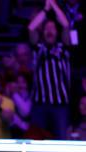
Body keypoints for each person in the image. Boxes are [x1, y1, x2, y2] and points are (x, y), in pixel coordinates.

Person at [28, 0, 71, 138]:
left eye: (52, 28)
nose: (49, 31)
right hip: (40, 105)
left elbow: (66, 25)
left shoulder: (63, 49)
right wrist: (46, 10)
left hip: (60, 106)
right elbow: (31, 28)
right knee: (38, 141)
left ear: (57, 33)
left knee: (60, 142)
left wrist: (53, 5)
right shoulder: (38, 49)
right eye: (47, 28)